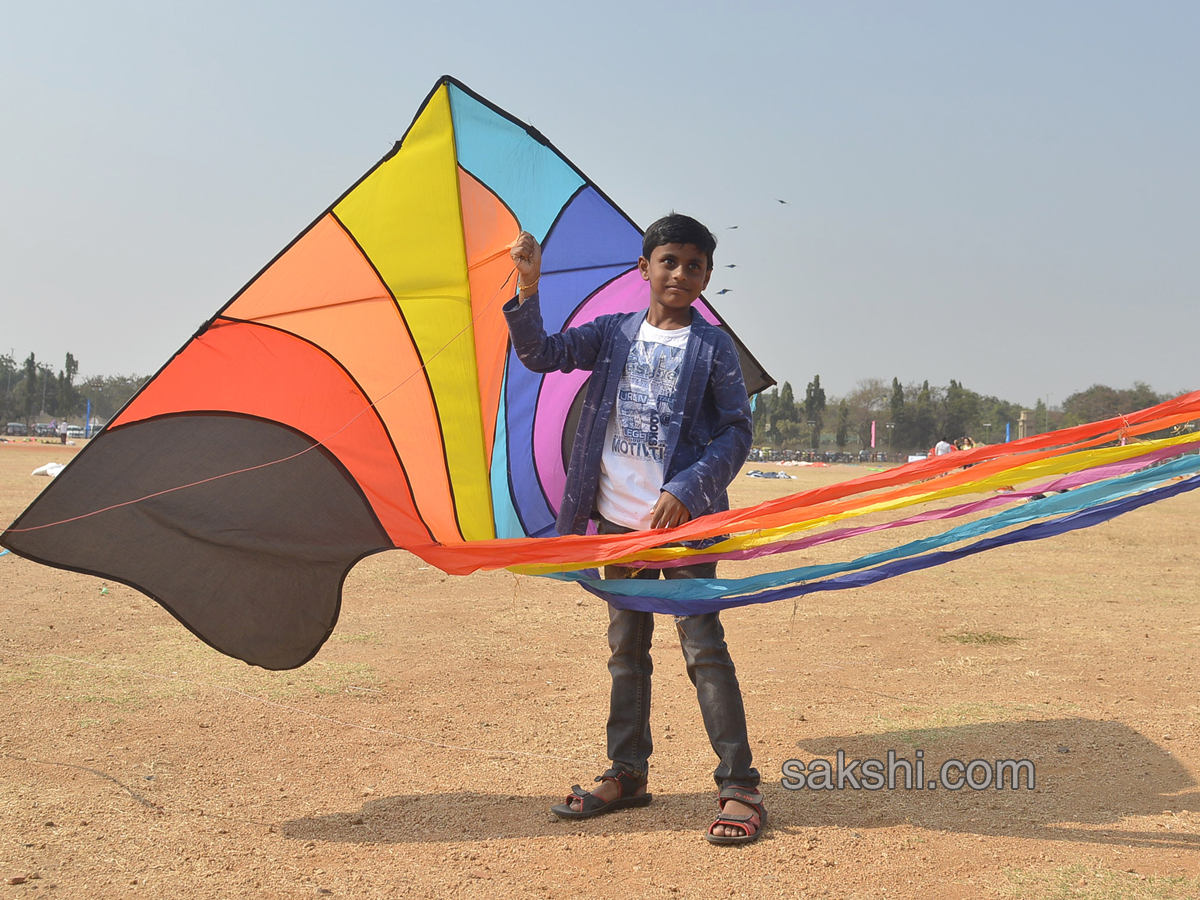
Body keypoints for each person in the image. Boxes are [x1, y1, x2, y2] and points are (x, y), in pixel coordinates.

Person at [505, 214, 764, 844]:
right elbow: (541, 353)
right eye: (668, 261)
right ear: (644, 268)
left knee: (704, 650)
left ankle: (740, 786)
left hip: (683, 531)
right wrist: (528, 285)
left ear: (706, 277)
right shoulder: (613, 335)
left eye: (694, 266)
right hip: (617, 528)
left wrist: (686, 488)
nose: (680, 274)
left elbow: (736, 430)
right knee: (627, 652)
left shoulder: (712, 349)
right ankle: (627, 773)